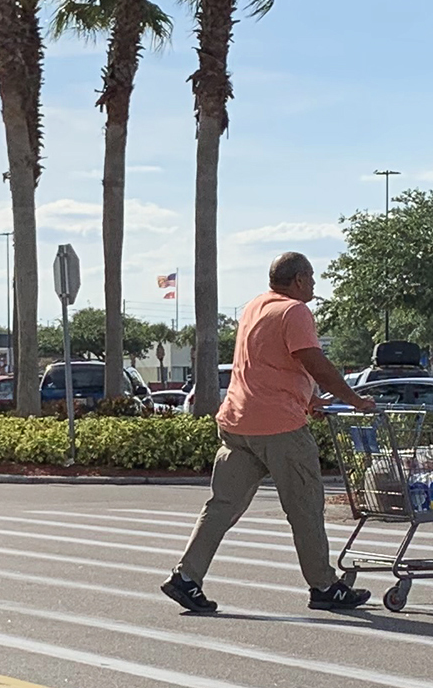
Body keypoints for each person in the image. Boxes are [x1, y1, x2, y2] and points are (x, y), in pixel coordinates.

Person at [161, 252, 376, 615]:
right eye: (311, 278)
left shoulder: (255, 307)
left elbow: (269, 364)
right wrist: (353, 399)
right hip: (280, 427)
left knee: (221, 506)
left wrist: (310, 399)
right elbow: (313, 361)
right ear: (298, 280)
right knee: (305, 507)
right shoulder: (295, 311)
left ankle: (187, 577)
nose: (314, 285)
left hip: (237, 422)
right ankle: (324, 586)